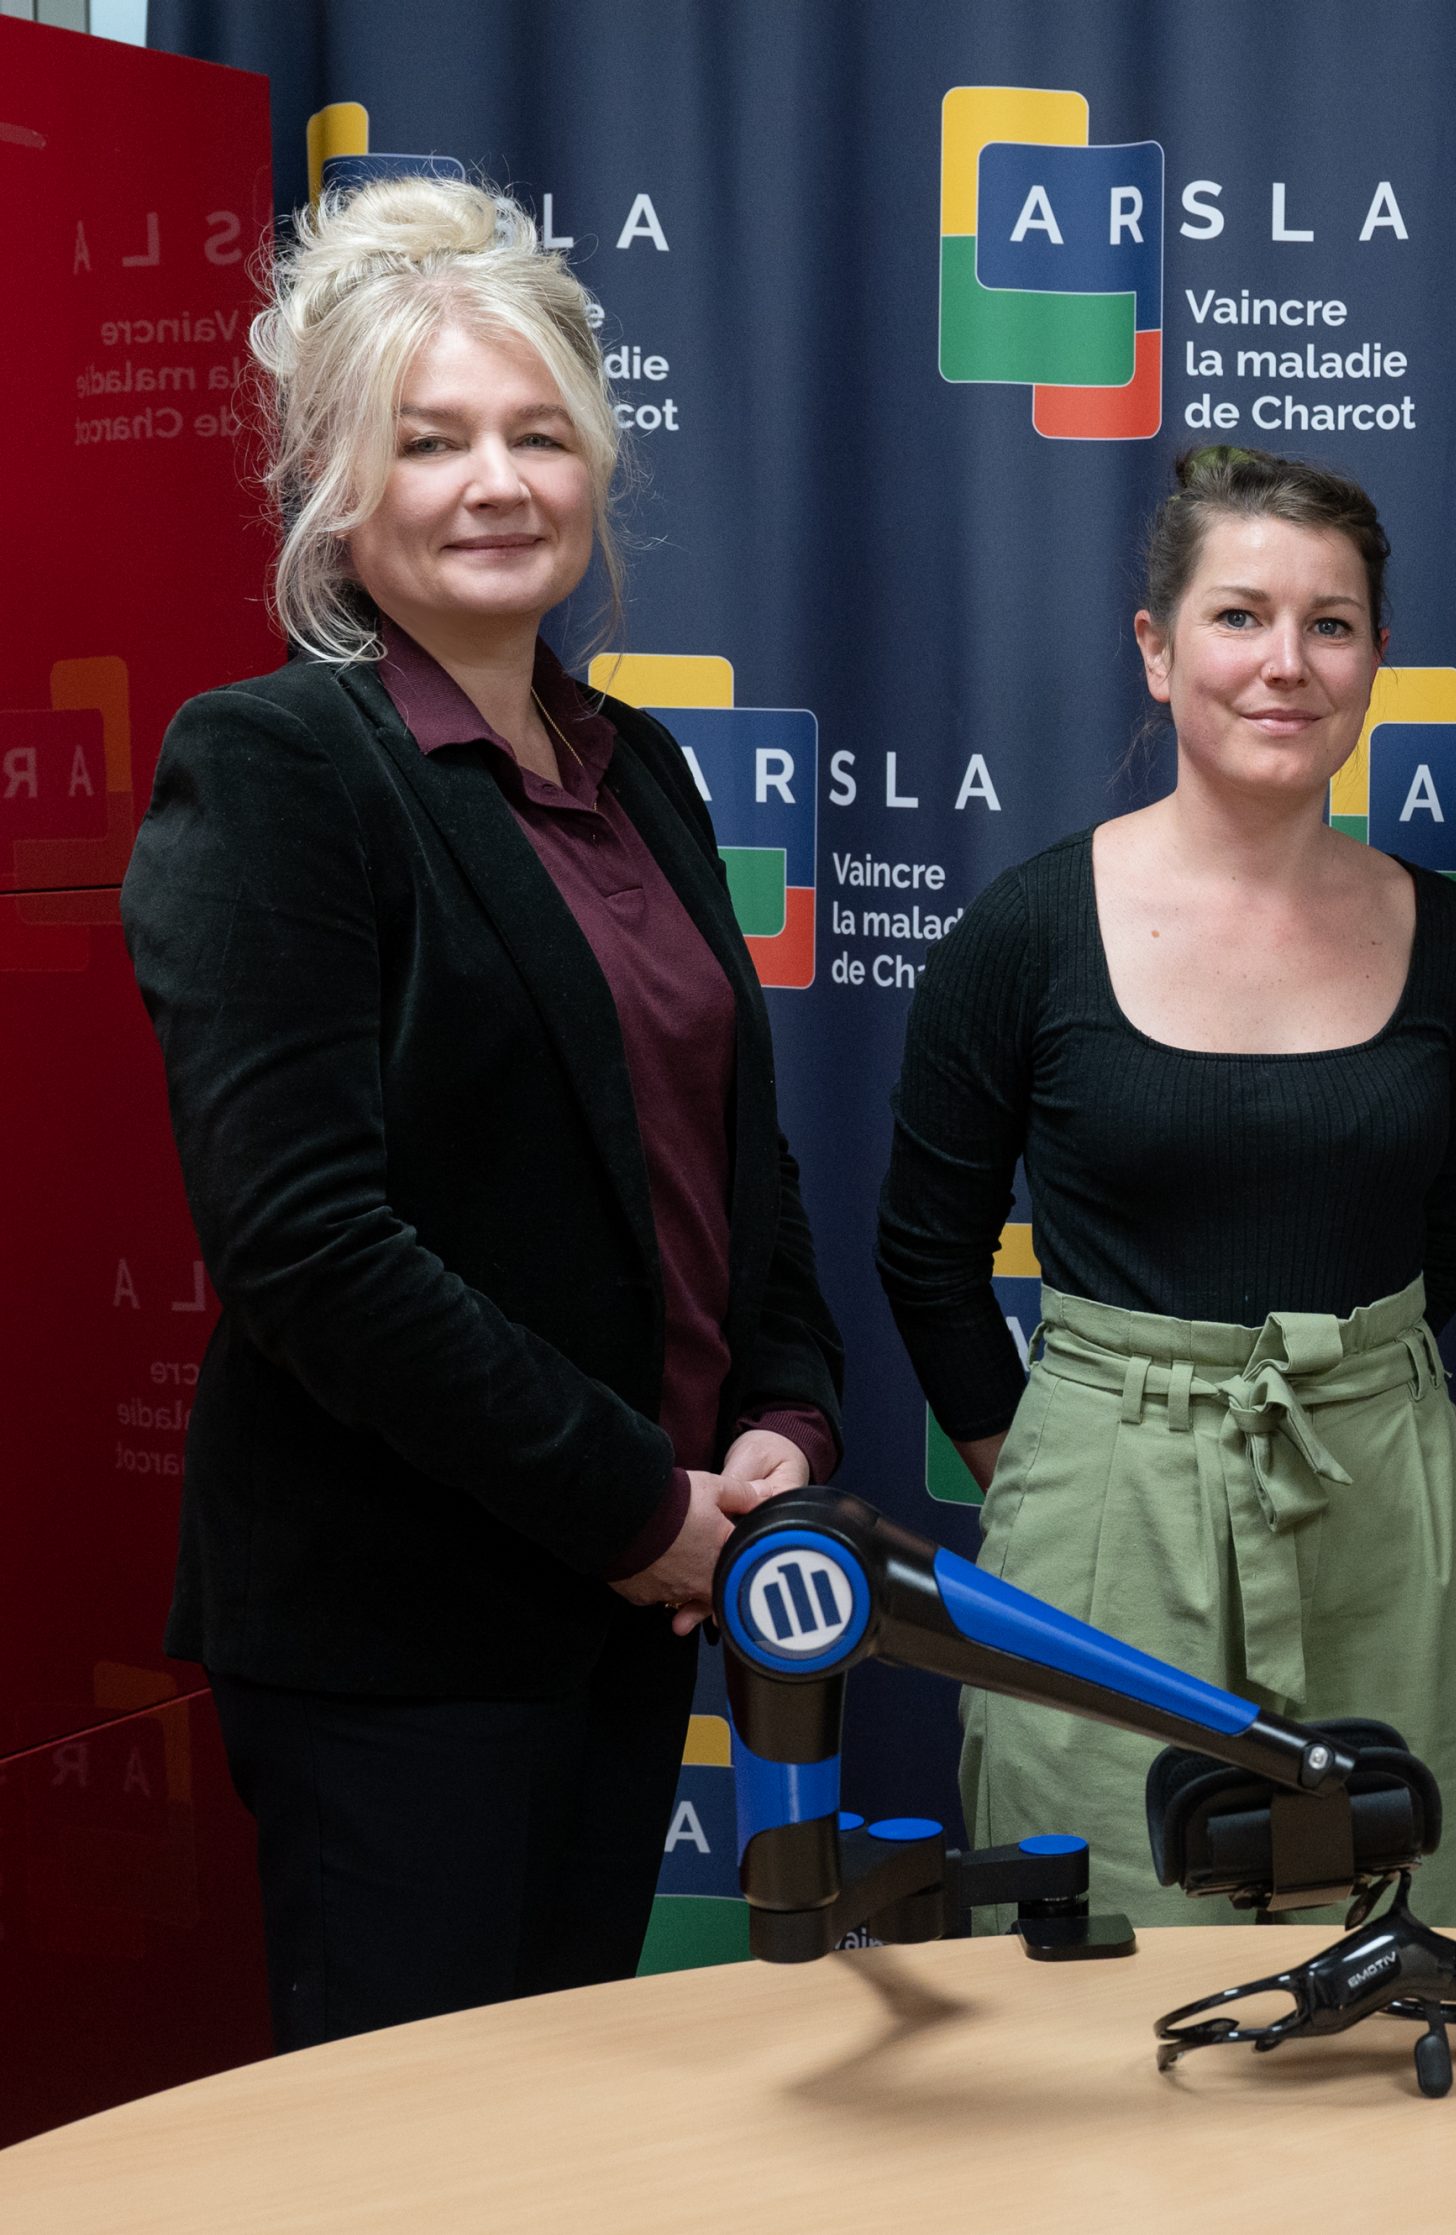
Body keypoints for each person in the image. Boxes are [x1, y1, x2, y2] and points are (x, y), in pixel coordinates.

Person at [121, 177, 844, 2049]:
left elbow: (725, 1155)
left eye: (537, 435)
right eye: (429, 443)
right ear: (339, 491)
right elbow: (307, 1245)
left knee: (559, 2135)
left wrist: (780, 1416)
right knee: (419, 2163)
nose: (495, 481)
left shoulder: (641, 762)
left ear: (599, 464)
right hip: (402, 1640)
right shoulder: (273, 766)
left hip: (638, 1603)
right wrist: (630, 1505)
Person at [878, 446, 1456, 1927]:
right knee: (1104, 1980)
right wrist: (1069, 1475)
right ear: (1156, 650)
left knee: (1397, 1955)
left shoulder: (1444, 940)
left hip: (1387, 1505)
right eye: (1239, 617)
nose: (1286, 663)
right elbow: (926, 1256)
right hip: (1110, 1518)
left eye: (1332, 624)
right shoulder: (1023, 935)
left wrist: (1354, 1393)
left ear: (1374, 662)